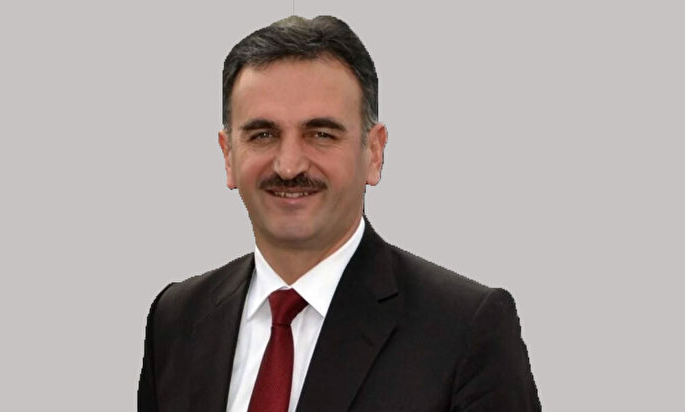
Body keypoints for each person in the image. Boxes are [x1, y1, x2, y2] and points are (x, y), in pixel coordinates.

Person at [138, 15, 540, 412]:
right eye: (263, 134)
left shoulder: (464, 331)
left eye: (321, 134)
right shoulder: (176, 319)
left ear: (374, 153)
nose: (289, 166)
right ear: (228, 156)